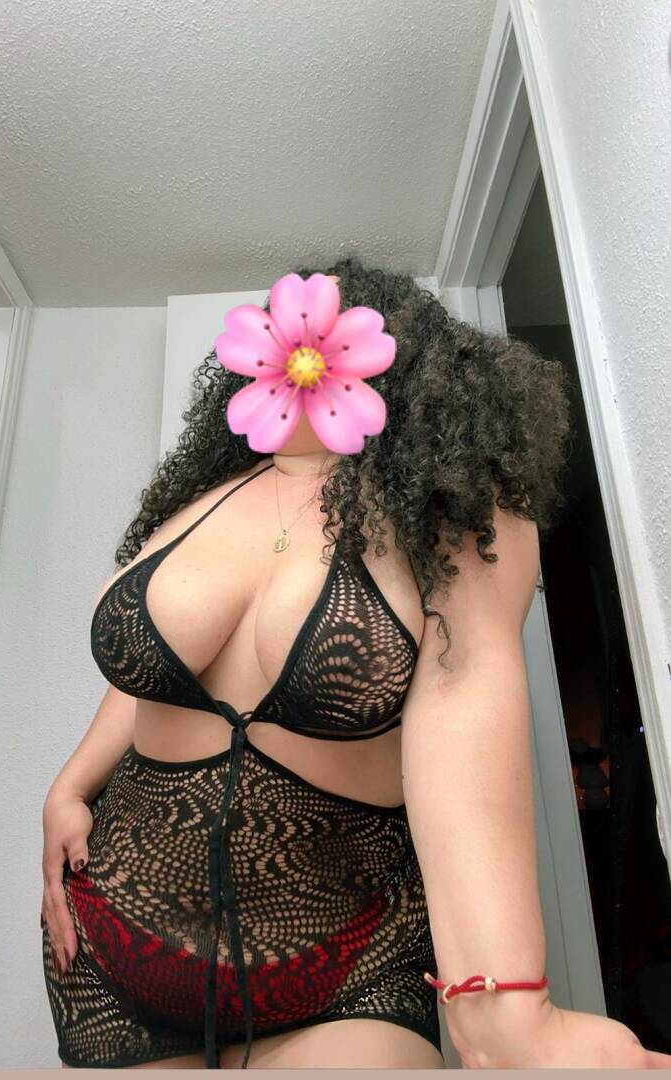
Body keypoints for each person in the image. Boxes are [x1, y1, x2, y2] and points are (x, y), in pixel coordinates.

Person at [40, 256, 671, 1069]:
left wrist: (506, 1013)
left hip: (339, 964)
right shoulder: (205, 497)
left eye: (317, 336)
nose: (290, 355)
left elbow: (465, 707)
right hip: (112, 944)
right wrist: (68, 787)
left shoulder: (456, 519)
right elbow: (154, 676)